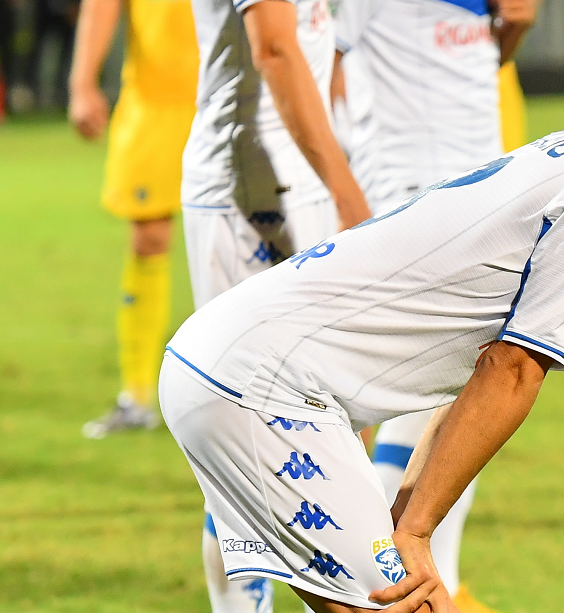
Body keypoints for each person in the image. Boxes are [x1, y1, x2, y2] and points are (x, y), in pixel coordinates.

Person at [159, 29, 564, 613]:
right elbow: (514, 370)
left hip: (230, 367)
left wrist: (409, 515)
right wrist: (416, 532)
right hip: (262, 389)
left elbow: (487, 364)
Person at [333, 1, 535, 609]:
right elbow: (321, 60)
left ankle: (418, 582)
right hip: (409, 191)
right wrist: (348, 179)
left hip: (477, 185)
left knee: (450, 388)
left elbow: (513, 25)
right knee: (446, 384)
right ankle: (397, 582)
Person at [180, 0, 370, 609]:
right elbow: (275, 48)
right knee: (249, 436)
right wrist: (347, 191)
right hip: (251, 195)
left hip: (299, 183)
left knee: (340, 420)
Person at [68, 0, 198, 438]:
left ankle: (244, 393)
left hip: (231, 97)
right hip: (154, 102)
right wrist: (82, 81)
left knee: (249, 238)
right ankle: (136, 396)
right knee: (148, 239)